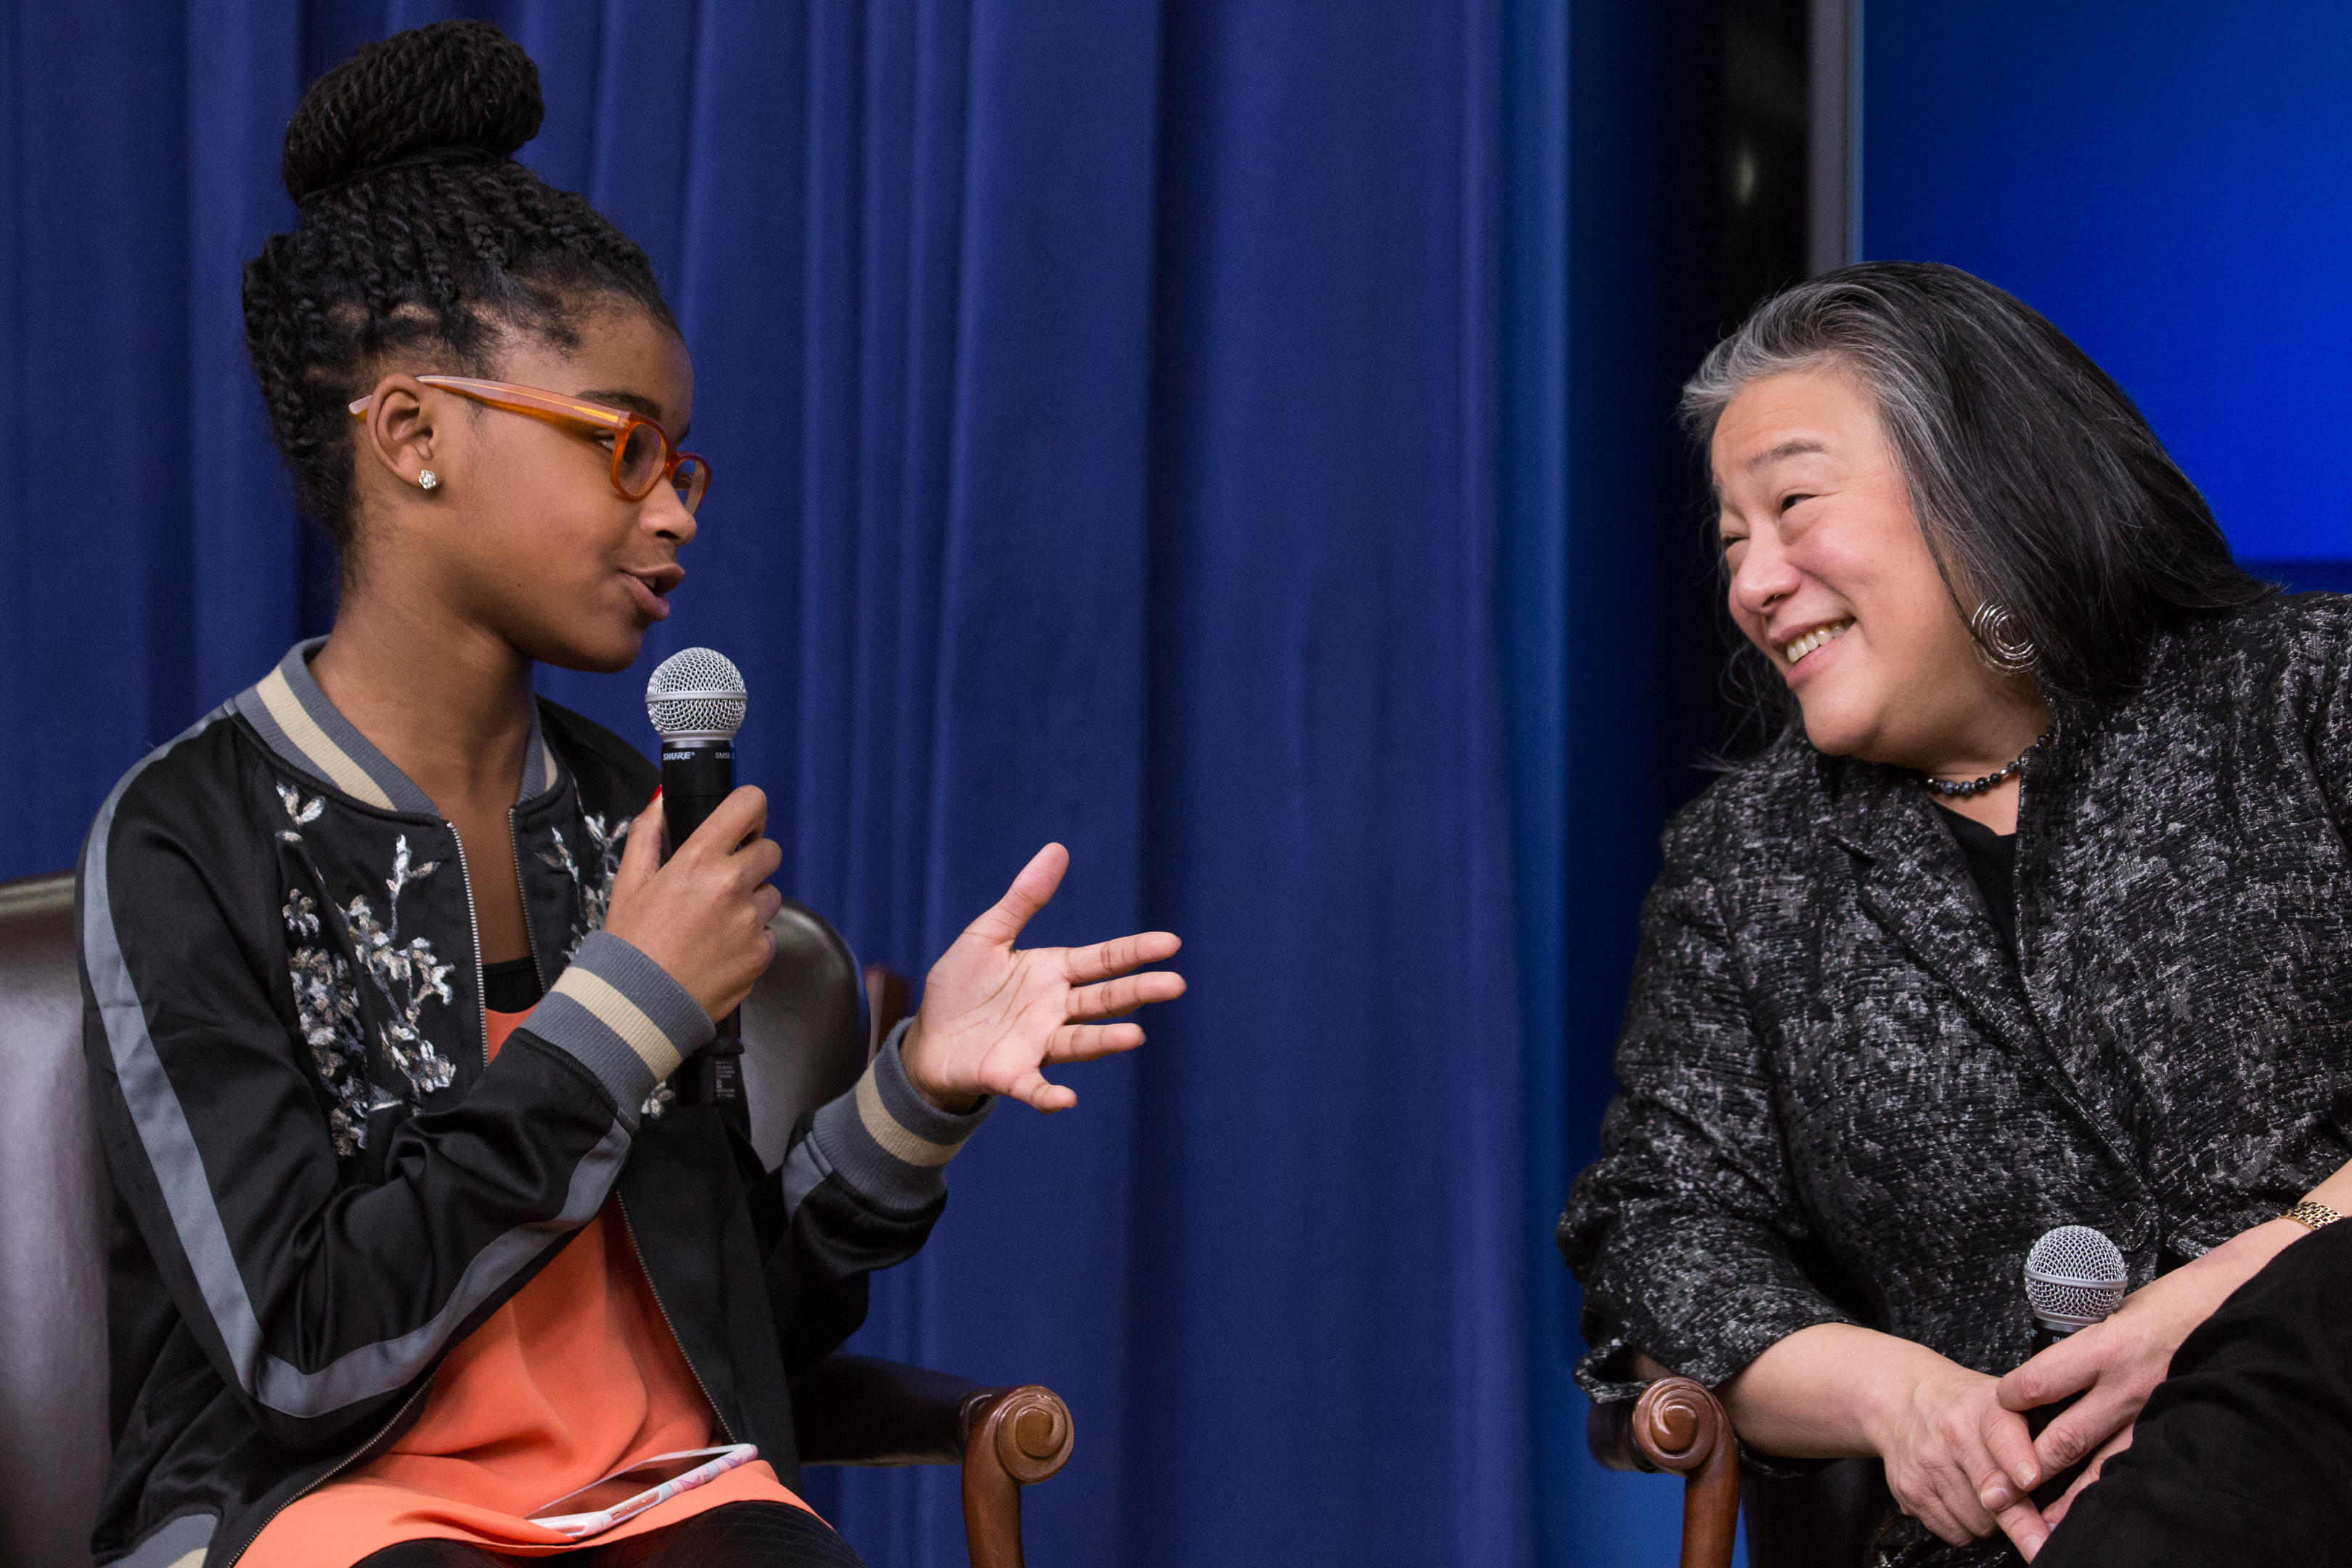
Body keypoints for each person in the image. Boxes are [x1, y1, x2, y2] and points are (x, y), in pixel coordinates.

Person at [78, 22, 1183, 1568]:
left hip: (664, 1499)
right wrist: (627, 1005)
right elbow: (297, 1350)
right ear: (411, 435)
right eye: (621, 447)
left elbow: (743, 1324)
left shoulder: (631, 815)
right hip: (327, 1516)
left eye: (684, 466)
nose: (671, 512)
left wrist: (915, 1096)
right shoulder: (189, 837)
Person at [1558, 260, 2352, 1567]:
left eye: (1794, 505)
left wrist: (2221, 1300)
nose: (1756, 582)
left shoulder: (2305, 697)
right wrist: (1904, 1399)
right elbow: (1660, 1236)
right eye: (1732, 543)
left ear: (1981, 485)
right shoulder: (1746, 869)